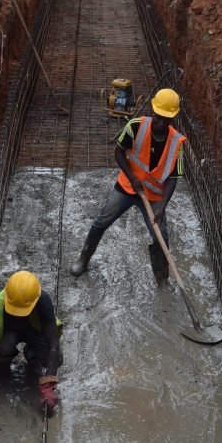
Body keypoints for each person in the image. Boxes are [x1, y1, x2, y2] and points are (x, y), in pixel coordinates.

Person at [70, 88, 186, 291]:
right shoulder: (136, 126)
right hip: (127, 187)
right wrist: (132, 178)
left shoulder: (177, 142)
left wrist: (161, 207)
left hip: (154, 196)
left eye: (165, 120)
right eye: (158, 118)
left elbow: (173, 179)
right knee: (101, 222)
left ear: (172, 119)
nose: (160, 124)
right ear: (153, 111)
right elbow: (119, 152)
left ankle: (162, 279)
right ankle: (83, 259)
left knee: (162, 237)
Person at [0, 270, 63, 416]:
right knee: (3, 347)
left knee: (55, 357)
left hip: (35, 332)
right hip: (10, 333)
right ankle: (4, 359)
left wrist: (49, 384)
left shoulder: (43, 301)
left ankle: (32, 356)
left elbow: (53, 342)